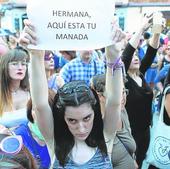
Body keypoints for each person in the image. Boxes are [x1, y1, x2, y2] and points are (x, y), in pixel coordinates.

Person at [19, 19, 124, 168]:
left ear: (95, 113)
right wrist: (36, 56)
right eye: (72, 120)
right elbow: (40, 105)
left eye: (87, 118)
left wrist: (113, 56)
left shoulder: (105, 136)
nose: (81, 128)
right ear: (63, 118)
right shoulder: (55, 141)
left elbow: (114, 101)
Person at [121, 14, 163, 167]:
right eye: (133, 57)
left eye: (138, 55)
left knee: (140, 162)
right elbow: (126, 54)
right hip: (130, 134)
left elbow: (151, 51)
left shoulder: (140, 73)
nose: (136, 57)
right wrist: (141, 28)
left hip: (145, 132)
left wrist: (157, 31)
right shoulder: (123, 77)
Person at [91, 74, 137, 169]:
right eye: (117, 93)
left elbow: (128, 140)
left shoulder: (123, 112)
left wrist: (132, 159)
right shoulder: (95, 125)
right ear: (100, 96)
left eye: (124, 92)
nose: (123, 97)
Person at [0, 46, 30, 128]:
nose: (20, 68)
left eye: (23, 64)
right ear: (4, 67)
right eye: (14, 64)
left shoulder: (31, 92)